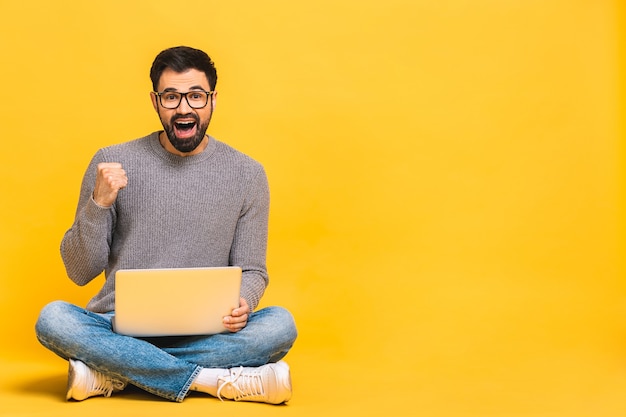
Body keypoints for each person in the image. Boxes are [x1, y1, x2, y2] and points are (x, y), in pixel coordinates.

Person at [35, 46, 297, 404]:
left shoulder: (248, 174)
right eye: (172, 97)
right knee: (54, 320)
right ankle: (210, 380)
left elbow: (253, 269)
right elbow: (79, 271)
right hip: (117, 328)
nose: (184, 108)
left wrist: (244, 302)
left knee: (280, 324)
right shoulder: (112, 163)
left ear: (213, 100)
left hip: (205, 331)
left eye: (195, 96)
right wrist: (99, 204)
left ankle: (115, 373)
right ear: (156, 102)